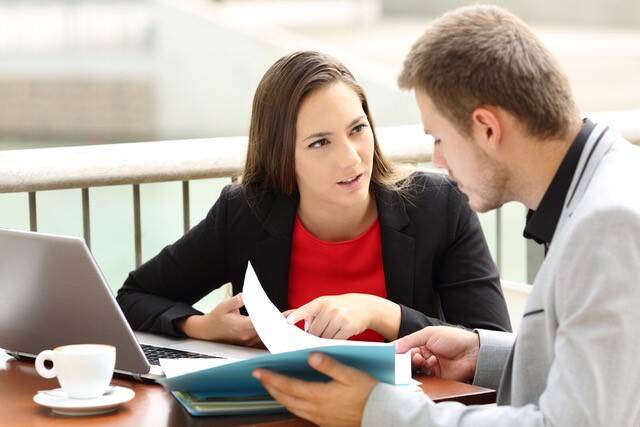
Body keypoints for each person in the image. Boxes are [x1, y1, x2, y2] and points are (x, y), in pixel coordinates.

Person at [252, 6, 640, 427]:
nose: (437, 158)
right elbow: (601, 365)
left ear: (487, 129)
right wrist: (482, 354)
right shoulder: (607, 185)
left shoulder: (606, 226)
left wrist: (376, 412)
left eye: (439, 138)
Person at [116, 51, 511, 347]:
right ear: (283, 156)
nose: (351, 157)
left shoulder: (438, 206)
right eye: (320, 142)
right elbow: (133, 297)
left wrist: (381, 313)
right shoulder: (245, 212)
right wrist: (203, 326)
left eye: (357, 129)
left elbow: (494, 346)